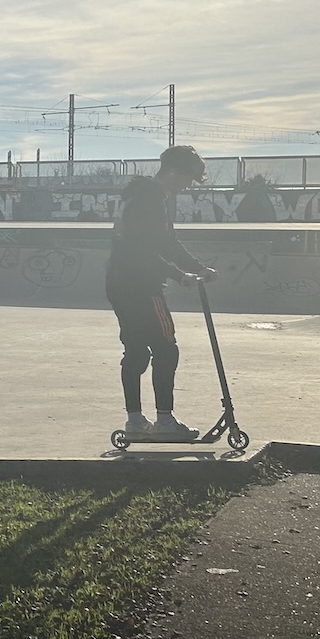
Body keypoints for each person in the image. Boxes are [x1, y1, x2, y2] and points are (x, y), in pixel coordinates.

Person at [106, 145, 214, 438]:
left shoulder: (143, 197)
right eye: (188, 178)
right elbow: (143, 250)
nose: (188, 186)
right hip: (141, 286)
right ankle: (164, 422)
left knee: (137, 352)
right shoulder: (150, 200)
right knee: (166, 348)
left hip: (120, 283)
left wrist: (198, 267)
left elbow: (168, 243)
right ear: (174, 172)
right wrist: (180, 276)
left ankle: (135, 422)